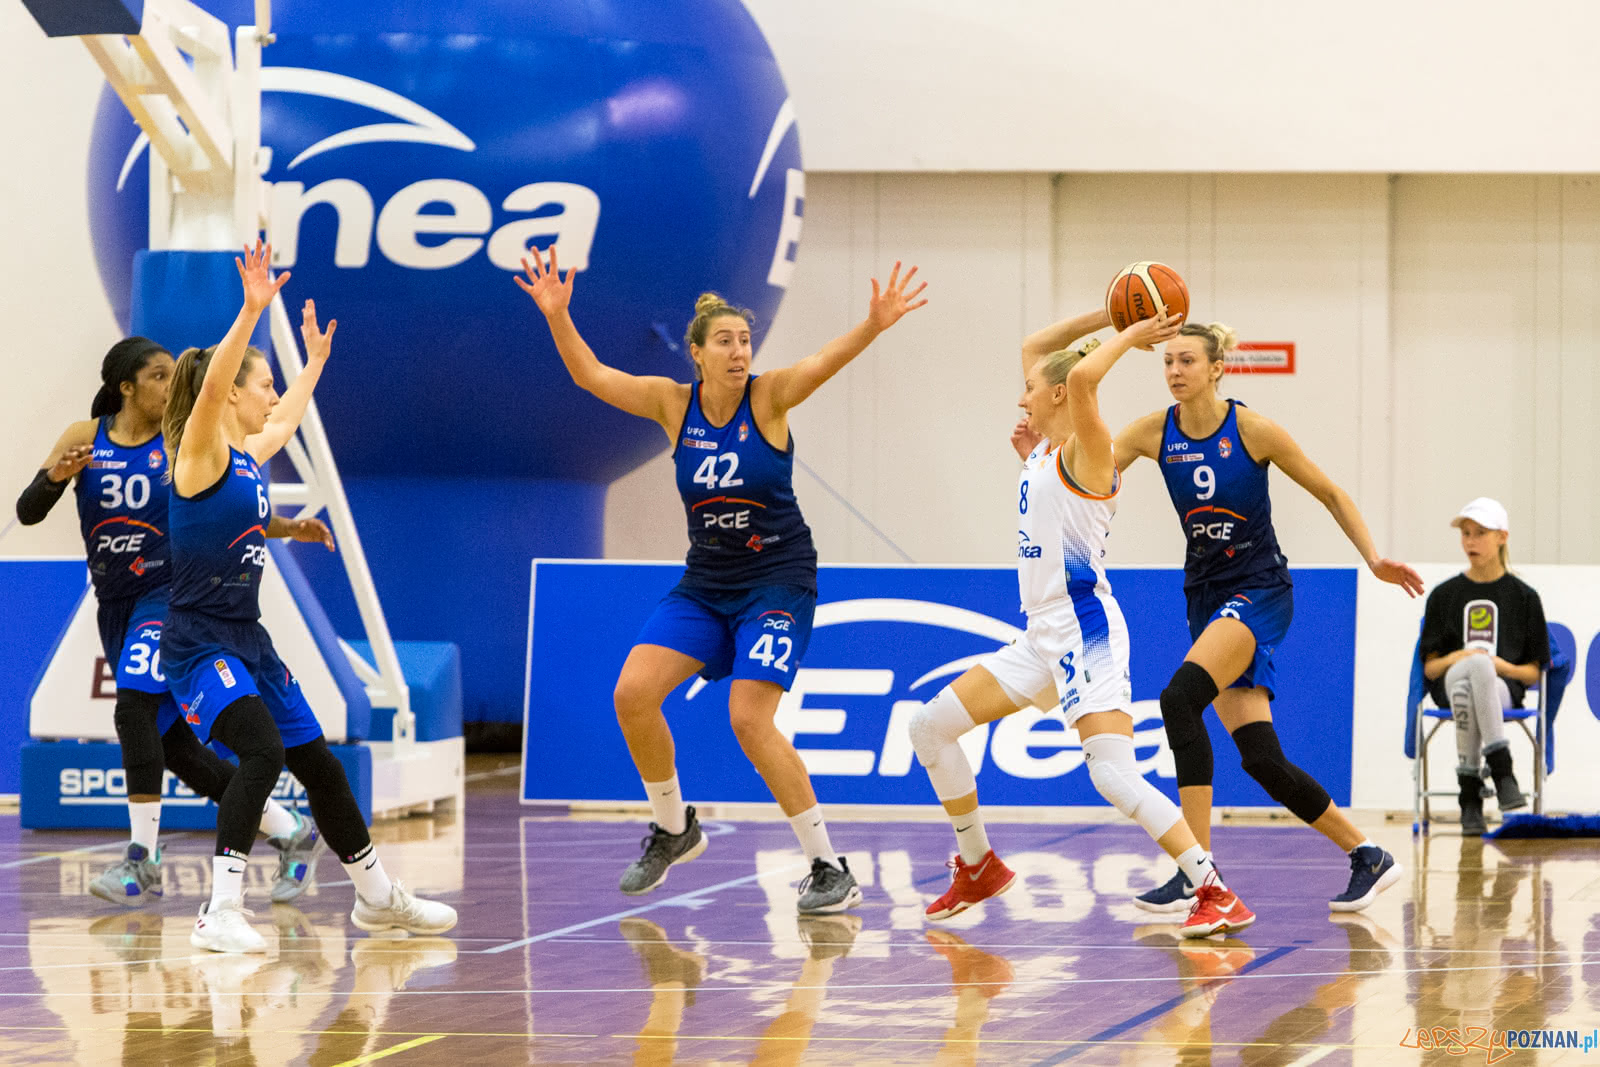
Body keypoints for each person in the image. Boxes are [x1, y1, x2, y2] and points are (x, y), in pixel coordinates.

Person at [516, 245, 926, 913]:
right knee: (632, 694)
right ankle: (675, 826)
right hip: (705, 585)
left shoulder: (769, 397)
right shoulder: (673, 405)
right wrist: (559, 315)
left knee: (748, 718)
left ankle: (829, 867)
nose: (740, 351)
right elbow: (590, 375)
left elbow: (823, 363)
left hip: (776, 582)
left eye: (746, 339)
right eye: (726, 341)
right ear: (698, 354)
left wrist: (873, 324)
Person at [909, 307, 1256, 938]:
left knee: (1111, 773)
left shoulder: (1090, 448)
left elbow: (1088, 383)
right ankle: (979, 864)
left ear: (1060, 394)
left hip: (1084, 628)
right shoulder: (1044, 448)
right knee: (928, 727)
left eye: (1032, 389)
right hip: (1040, 633)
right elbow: (1037, 342)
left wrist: (1130, 333)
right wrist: (1110, 308)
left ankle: (1214, 888)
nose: (1021, 396)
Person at [162, 240, 456, 951]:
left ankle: (377, 897)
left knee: (318, 765)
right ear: (232, 391)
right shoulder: (198, 453)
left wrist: (314, 364)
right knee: (260, 753)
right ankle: (220, 910)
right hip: (199, 640)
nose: (268, 393)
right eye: (260, 383)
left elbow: (286, 420)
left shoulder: (248, 456)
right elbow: (209, 388)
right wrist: (251, 309)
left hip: (249, 638)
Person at [1113, 320, 1424, 914]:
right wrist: (1038, 457)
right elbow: (1089, 471)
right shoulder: (1153, 432)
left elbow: (1330, 492)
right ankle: (1366, 855)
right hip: (1204, 595)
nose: (1175, 371)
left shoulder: (1251, 428)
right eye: (1167, 363)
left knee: (1179, 700)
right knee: (1259, 756)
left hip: (1258, 589)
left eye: (1186, 361)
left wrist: (1374, 558)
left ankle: (1196, 874)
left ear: (1215, 368)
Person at [15, 336, 326, 906]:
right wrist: (56, 477)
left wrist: (284, 526)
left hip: (167, 598)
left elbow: (222, 506)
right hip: (114, 602)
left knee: (132, 707)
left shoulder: (182, 437)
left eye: (171, 375)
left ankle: (141, 863)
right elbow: (27, 512)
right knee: (176, 747)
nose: (169, 384)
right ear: (125, 387)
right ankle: (291, 832)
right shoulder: (85, 438)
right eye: (157, 376)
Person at [1419, 497, 1546, 835]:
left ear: (1502, 537)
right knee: (1470, 670)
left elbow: (1533, 673)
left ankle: (1469, 793)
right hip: (1451, 678)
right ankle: (1503, 772)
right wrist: (1465, 658)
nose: (1470, 541)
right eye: (1466, 533)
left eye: (1480, 533)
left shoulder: (1525, 597)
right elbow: (1431, 671)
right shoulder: (1444, 595)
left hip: (1501, 688)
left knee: (1471, 685)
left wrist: (1499, 665)